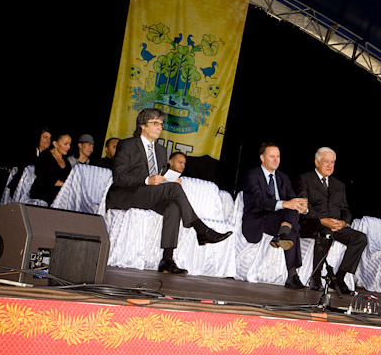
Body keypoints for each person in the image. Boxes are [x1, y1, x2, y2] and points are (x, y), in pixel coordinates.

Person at [105, 108, 232, 275]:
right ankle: (201, 229)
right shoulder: (127, 145)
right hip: (128, 194)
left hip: (150, 194)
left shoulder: (160, 149)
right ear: (143, 125)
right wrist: (147, 180)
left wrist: (169, 178)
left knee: (173, 206)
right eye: (155, 123)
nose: (160, 127)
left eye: (161, 124)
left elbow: (160, 174)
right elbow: (119, 178)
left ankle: (167, 259)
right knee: (174, 190)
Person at [295, 147, 367, 294]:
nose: (330, 165)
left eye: (332, 162)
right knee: (326, 232)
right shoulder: (305, 179)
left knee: (360, 238)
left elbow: (345, 209)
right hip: (312, 223)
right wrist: (322, 220)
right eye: (326, 162)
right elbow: (303, 205)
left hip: (335, 225)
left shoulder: (339, 185)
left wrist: (343, 222)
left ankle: (339, 278)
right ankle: (316, 276)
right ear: (317, 162)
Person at [241, 143, 308, 289]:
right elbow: (259, 201)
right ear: (262, 158)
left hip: (278, 219)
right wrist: (286, 204)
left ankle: (283, 234)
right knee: (293, 222)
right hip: (259, 217)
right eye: (272, 156)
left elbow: (291, 199)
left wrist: (301, 206)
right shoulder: (252, 175)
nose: (276, 160)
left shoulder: (283, 177)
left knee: (293, 209)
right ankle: (292, 275)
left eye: (278, 156)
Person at [29, 132, 73, 205]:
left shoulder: (67, 163)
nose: (68, 147)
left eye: (69, 144)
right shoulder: (45, 156)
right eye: (65, 144)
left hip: (58, 199)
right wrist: (61, 184)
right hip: (42, 196)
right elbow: (43, 176)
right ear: (55, 144)